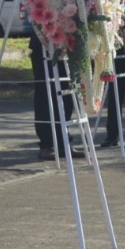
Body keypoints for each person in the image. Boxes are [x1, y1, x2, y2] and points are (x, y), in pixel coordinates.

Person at [29, 32, 77, 161]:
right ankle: (46, 145)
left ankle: (64, 143)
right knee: (45, 95)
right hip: (42, 43)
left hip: (64, 44)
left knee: (66, 93)